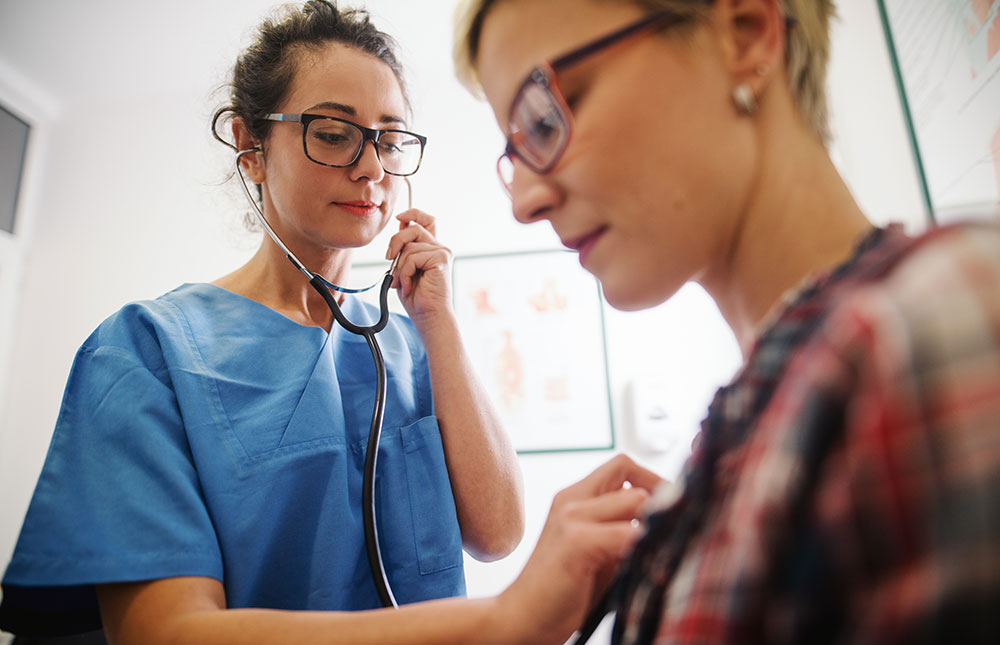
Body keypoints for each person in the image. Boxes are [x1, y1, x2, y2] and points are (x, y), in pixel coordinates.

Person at [450, 0, 1000, 643]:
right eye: (513, 152)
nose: (524, 201)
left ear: (744, 35)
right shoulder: (756, 415)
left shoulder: (932, 326)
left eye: (544, 119)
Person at [0, 0, 534, 640]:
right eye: (334, 133)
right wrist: (489, 625)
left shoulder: (414, 342)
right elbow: (165, 634)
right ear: (250, 147)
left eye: (389, 140)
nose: (371, 168)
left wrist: (439, 322)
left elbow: (497, 534)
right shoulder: (147, 350)